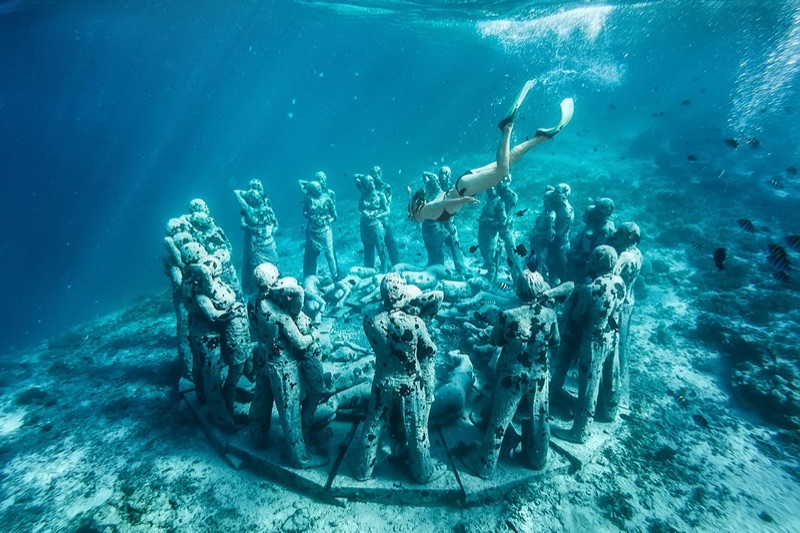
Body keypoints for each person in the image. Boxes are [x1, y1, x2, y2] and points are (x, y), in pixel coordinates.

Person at [408, 82, 573, 223]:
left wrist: (463, 200)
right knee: (508, 160)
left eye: (411, 217)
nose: (412, 219)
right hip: (464, 182)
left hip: (466, 189)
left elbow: (441, 206)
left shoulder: (424, 214)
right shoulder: (426, 205)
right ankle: (540, 138)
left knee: (503, 170)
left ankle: (507, 128)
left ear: (416, 212)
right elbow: (438, 201)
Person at [352, 274, 445, 484]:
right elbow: (429, 351)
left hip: (382, 379)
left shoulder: (370, 319)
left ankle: (362, 469)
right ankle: (423, 471)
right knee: (416, 428)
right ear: (401, 292)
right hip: (409, 383)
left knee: (373, 423)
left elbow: (381, 325)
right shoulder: (414, 323)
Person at [469, 270, 559, 478]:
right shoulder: (550, 315)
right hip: (540, 375)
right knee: (540, 417)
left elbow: (496, 341)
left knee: (499, 420)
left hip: (512, 375)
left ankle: (485, 465)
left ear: (518, 289)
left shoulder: (507, 315)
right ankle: (538, 458)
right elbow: (556, 341)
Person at [551, 245, 626, 444]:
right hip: (613, 335)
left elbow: (578, 316)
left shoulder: (591, 289)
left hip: (594, 341)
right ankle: (609, 410)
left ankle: (580, 431)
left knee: (588, 386)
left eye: (593, 258)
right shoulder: (620, 282)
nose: (588, 261)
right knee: (611, 375)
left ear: (601, 261)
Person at [610, 222, 643, 409]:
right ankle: (623, 388)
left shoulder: (624, 256)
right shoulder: (638, 254)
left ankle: (615, 392)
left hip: (618, 303)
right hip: (630, 301)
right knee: (623, 344)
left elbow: (612, 274)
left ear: (629, 237)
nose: (616, 234)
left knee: (614, 347)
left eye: (620, 232)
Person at [234, 179, 279, 295]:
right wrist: (254, 229)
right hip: (251, 239)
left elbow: (275, 223)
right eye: (252, 187)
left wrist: (270, 231)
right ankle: (252, 290)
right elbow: (242, 224)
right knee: (250, 263)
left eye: (258, 188)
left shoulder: (267, 203)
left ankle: (274, 283)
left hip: (266, 238)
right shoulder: (247, 206)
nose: (255, 190)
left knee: (273, 261)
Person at [529, 183, 574, 285]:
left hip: (560, 243)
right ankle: (546, 281)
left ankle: (561, 285)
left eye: (557, 193)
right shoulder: (555, 199)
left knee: (559, 264)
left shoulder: (566, 212)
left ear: (564, 195)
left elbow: (558, 233)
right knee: (546, 262)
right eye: (554, 191)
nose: (554, 194)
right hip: (549, 238)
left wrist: (537, 233)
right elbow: (548, 190)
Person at [300, 180, 340, 280]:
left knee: (330, 254)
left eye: (319, 187)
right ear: (311, 190)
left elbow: (335, 216)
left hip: (326, 231)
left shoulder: (328, 200)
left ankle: (335, 276)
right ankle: (310, 279)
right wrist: (311, 217)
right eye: (315, 188)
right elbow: (304, 212)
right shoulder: (309, 200)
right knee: (312, 256)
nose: (318, 189)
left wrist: (326, 221)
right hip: (313, 233)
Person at [355, 173, 392, 272]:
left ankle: (384, 273)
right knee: (368, 250)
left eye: (372, 180)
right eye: (368, 182)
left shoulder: (380, 195)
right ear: (365, 185)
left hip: (376, 226)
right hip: (365, 227)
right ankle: (368, 272)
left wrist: (377, 216)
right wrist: (366, 213)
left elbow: (387, 211)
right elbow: (361, 208)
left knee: (382, 251)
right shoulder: (363, 196)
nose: (371, 183)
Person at [370, 165, 401, 265]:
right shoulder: (368, 188)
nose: (376, 175)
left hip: (383, 220)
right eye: (374, 174)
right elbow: (356, 177)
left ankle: (396, 264)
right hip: (372, 222)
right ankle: (369, 267)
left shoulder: (386, 187)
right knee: (370, 246)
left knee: (390, 242)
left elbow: (387, 203)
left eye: (378, 173)